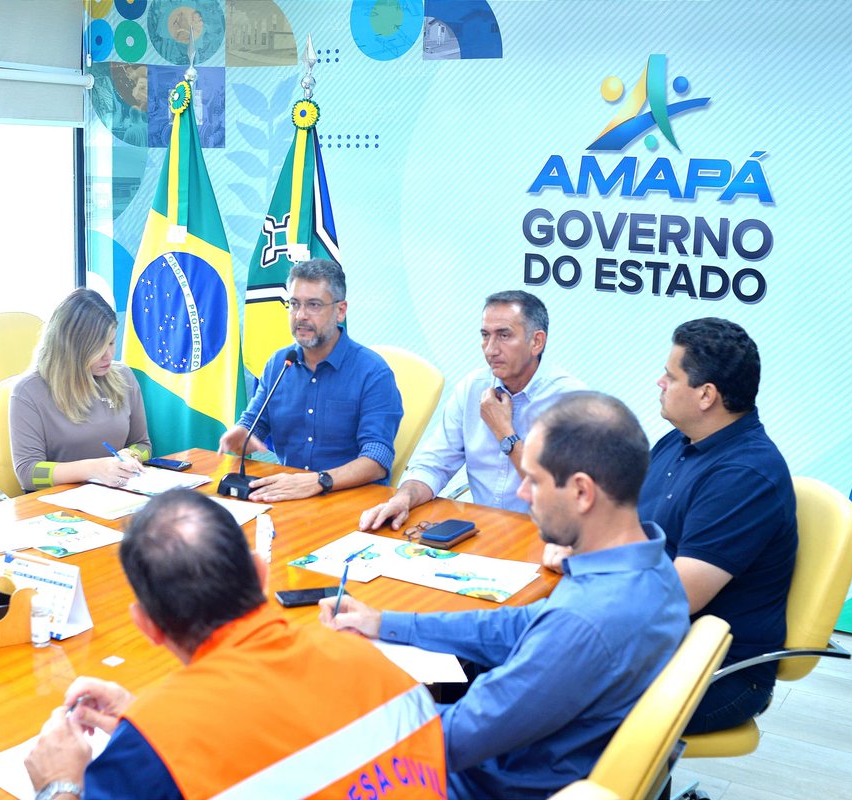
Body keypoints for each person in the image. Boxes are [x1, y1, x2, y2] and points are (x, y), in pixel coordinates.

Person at [323, 392, 688, 800]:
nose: (523, 494)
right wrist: (386, 623)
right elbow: (517, 624)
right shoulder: (652, 567)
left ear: (583, 492)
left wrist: (345, 716)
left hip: (482, 784)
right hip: (533, 762)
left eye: (534, 480)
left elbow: (454, 740)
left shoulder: (584, 622)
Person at [24, 489, 447, 800]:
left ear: (148, 626)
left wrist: (57, 785)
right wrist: (154, 724)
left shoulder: (153, 753)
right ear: (262, 575)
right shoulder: (380, 668)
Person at [547, 318, 797, 735]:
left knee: (543, 698)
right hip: (646, 639)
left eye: (671, 375)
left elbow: (679, 593)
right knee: (508, 657)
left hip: (715, 672)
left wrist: (583, 561)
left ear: (706, 395)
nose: (659, 381)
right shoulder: (680, 442)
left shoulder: (745, 474)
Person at [359, 290, 585, 530]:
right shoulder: (472, 388)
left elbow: (559, 495)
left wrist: (505, 433)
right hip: (485, 529)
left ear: (536, 342)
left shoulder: (571, 401)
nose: (490, 349)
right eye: (486, 336)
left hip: (548, 533)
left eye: (504, 336)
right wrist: (403, 498)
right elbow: (433, 466)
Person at [218, 259, 403, 502]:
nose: (301, 316)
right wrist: (241, 433)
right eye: (294, 304)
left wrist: (319, 481)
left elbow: (377, 459)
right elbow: (254, 424)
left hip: (351, 501)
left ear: (340, 310)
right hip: (290, 496)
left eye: (313, 305)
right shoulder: (279, 364)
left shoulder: (373, 373)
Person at [11, 288, 151, 492]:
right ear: (71, 347)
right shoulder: (28, 392)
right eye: (98, 347)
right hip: (59, 504)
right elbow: (28, 474)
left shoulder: (123, 377)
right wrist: (94, 469)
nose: (109, 355)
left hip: (117, 494)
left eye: (111, 342)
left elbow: (143, 444)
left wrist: (131, 455)